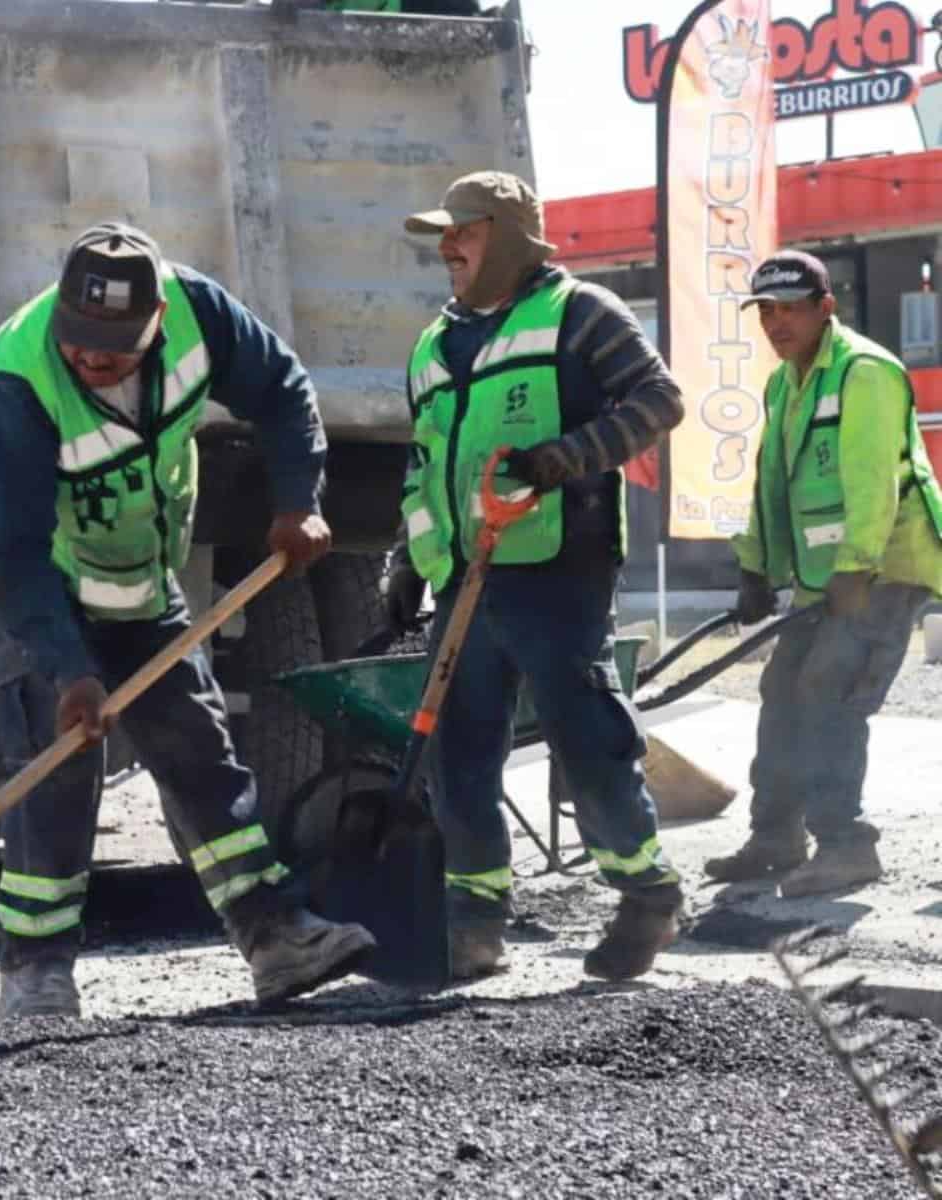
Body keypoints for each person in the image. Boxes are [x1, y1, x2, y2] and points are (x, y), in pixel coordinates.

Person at [0, 222, 376, 1021]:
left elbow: (281, 389)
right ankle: (35, 974)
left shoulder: (203, 316)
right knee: (55, 759)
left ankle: (275, 936)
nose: (92, 360)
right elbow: (13, 561)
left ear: (160, 318)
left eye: (114, 346)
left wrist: (297, 502)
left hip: (136, 562)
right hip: (44, 574)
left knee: (196, 743)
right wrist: (69, 670)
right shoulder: (15, 384)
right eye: (81, 342)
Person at [387, 171, 687, 981]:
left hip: (559, 568)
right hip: (465, 578)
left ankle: (646, 894)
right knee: (462, 756)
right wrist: (405, 564)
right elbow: (424, 467)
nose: (447, 248)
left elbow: (659, 399)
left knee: (586, 739)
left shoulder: (581, 314)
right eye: (443, 236)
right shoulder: (432, 344)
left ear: (512, 235)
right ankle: (474, 922)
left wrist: (571, 457)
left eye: (464, 231)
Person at [705, 251, 942, 897]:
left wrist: (856, 567)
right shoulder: (783, 383)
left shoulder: (866, 372)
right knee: (782, 690)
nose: (777, 323)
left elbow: (873, 484)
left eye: (790, 309)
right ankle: (775, 836)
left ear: (825, 308)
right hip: (825, 573)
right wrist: (754, 567)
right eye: (767, 312)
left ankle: (846, 845)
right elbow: (770, 484)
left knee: (829, 692)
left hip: (886, 564)